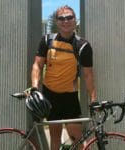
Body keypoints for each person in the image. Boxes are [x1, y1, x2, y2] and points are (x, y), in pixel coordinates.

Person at [31, 5, 96, 150]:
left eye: (69, 17)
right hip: (49, 96)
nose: (65, 21)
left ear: (75, 20)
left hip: (69, 97)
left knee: (77, 140)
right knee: (55, 139)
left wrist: (93, 99)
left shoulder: (83, 45)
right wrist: (35, 87)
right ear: (56, 21)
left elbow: (88, 74)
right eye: (61, 18)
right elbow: (37, 65)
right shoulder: (47, 40)